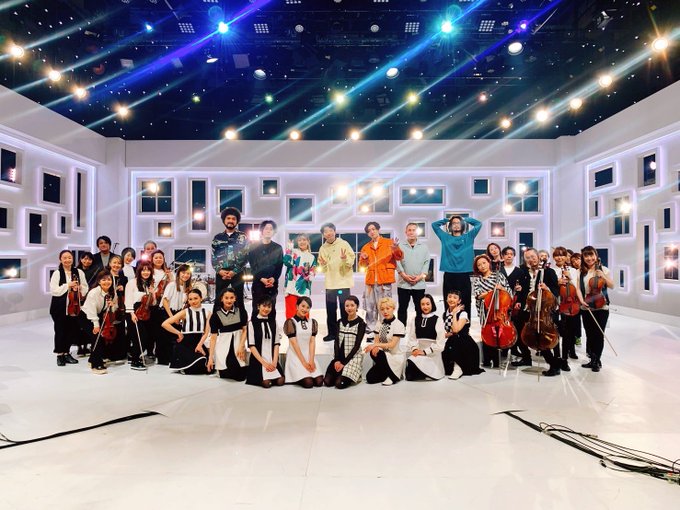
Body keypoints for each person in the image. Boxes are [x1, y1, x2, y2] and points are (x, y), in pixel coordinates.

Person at [510, 248, 562, 376]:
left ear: (538, 257)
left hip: (542, 309)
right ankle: (526, 358)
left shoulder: (548, 272)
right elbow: (523, 291)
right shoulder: (523, 272)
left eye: (533, 256)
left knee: (541, 337)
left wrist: (547, 288)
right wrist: (519, 297)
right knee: (520, 333)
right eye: (527, 258)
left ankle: (554, 364)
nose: (531, 260)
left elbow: (556, 290)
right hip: (527, 308)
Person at [431, 215, 482, 316]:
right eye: (454, 223)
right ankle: (449, 323)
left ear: (462, 225)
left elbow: (478, 224)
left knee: (465, 301)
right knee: (449, 301)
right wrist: (447, 219)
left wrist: (465, 219)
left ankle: (465, 324)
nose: (456, 225)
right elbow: (434, 225)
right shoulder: (445, 237)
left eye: (458, 223)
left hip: (464, 274)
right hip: (449, 274)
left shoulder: (469, 236)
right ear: (450, 225)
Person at [358, 221, 403, 332]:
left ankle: (384, 328)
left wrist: (396, 248)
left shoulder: (389, 243)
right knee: (370, 306)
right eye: (369, 231)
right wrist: (363, 258)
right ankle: (371, 328)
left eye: (373, 229)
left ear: (378, 229)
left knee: (385, 306)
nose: (371, 232)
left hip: (384, 280)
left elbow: (399, 257)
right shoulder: (366, 247)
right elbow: (361, 265)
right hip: (370, 281)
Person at [472, 254, 513, 368]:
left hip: (499, 309)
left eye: (484, 263)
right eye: (479, 265)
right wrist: (491, 292)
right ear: (477, 268)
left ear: (489, 263)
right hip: (486, 310)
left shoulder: (498, 276)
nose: (482, 266)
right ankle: (486, 360)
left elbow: (508, 291)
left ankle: (496, 360)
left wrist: (501, 289)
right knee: (487, 333)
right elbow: (478, 295)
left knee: (497, 334)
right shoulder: (478, 280)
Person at [317, 222, 355, 342]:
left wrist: (344, 259)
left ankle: (345, 331)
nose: (328, 233)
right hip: (330, 283)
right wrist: (323, 264)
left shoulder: (344, 244)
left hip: (343, 282)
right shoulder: (322, 248)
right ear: (323, 235)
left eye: (330, 230)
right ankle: (332, 333)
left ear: (334, 231)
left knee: (345, 309)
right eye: (325, 232)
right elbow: (322, 268)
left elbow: (351, 260)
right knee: (330, 310)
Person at [50, 249, 88, 367]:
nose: (67, 260)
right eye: (65, 258)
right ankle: (59, 354)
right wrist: (68, 285)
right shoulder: (57, 273)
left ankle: (67, 353)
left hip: (74, 307)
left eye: (69, 258)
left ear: (73, 259)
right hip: (59, 307)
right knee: (60, 331)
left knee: (71, 331)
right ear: (60, 259)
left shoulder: (79, 272)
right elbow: (54, 290)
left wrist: (80, 288)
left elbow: (85, 287)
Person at [579, 246, 614, 372]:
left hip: (601, 307)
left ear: (596, 255)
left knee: (599, 334)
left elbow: (612, 285)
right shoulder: (581, 271)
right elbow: (578, 288)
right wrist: (581, 301)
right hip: (586, 306)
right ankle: (593, 358)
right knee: (589, 334)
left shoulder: (604, 269)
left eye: (591, 255)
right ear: (583, 257)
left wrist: (603, 276)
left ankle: (597, 361)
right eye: (586, 256)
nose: (589, 258)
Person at [162, 288, 212, 375]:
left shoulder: (207, 313)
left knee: (205, 366)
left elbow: (206, 333)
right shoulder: (185, 312)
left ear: (201, 298)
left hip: (199, 343)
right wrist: (178, 333)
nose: (193, 301)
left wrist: (200, 345)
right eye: (190, 299)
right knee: (194, 368)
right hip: (185, 344)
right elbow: (165, 324)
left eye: (196, 298)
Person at [552, 246, 586, 370]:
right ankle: (556, 357)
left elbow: (577, 288)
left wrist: (569, 278)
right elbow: (548, 288)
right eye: (557, 255)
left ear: (566, 257)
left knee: (568, 334)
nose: (559, 257)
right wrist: (557, 282)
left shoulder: (573, 271)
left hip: (569, 305)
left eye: (562, 255)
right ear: (554, 257)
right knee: (555, 332)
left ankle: (565, 359)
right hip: (555, 305)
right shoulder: (551, 270)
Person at [79, 270, 117, 375]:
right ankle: (96, 364)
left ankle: (92, 359)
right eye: (103, 280)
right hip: (86, 316)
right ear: (99, 281)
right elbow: (91, 311)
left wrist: (112, 305)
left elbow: (115, 308)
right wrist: (96, 325)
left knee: (101, 337)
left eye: (109, 279)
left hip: (98, 315)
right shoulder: (94, 293)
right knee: (97, 337)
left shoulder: (112, 292)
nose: (106, 282)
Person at [211, 207, 249, 309]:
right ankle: (217, 319)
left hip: (237, 273)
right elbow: (213, 257)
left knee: (239, 301)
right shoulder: (217, 238)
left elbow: (246, 256)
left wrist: (234, 271)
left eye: (233, 219)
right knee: (219, 300)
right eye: (228, 218)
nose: (231, 221)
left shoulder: (243, 237)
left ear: (237, 221)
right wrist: (219, 270)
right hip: (221, 273)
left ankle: (240, 319)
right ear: (224, 220)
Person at [323, 295, 365, 389]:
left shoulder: (361, 323)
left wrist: (344, 363)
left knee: (339, 384)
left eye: (352, 305)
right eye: (347, 306)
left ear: (357, 306)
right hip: (339, 357)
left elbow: (357, 345)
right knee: (327, 382)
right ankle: (341, 374)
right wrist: (337, 360)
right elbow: (336, 342)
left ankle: (352, 374)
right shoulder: (340, 322)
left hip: (352, 358)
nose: (349, 308)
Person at [442, 290, 484, 379]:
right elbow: (448, 332)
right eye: (449, 297)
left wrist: (454, 314)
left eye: (455, 297)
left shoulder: (463, 313)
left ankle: (458, 368)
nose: (451, 299)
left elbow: (456, 329)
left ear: (459, 301)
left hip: (464, 343)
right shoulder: (445, 314)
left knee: (457, 340)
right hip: (452, 341)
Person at [207, 288, 248, 380]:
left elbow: (245, 330)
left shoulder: (241, 311)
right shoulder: (215, 316)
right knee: (227, 372)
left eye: (231, 298)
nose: (229, 300)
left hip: (238, 346)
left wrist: (241, 346)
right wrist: (210, 358)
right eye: (226, 298)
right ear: (221, 299)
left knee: (240, 376)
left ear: (235, 298)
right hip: (223, 347)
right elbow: (213, 338)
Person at [283, 296, 324, 388]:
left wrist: (311, 360)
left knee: (319, 382)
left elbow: (312, 342)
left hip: (308, 356)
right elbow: (294, 344)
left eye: (308, 307)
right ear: (297, 306)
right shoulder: (290, 322)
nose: (305, 309)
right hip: (296, 356)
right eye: (303, 306)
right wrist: (304, 362)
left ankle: (307, 374)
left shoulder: (312, 322)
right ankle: (298, 376)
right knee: (309, 383)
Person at [364, 297, 406, 385]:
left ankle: (393, 376)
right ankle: (390, 373)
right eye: (382, 309)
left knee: (377, 352)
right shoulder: (379, 323)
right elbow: (376, 341)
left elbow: (392, 345)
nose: (385, 311)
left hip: (394, 356)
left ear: (393, 308)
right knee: (370, 378)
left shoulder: (399, 324)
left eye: (388, 308)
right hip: (382, 356)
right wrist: (375, 346)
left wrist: (374, 345)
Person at [396, 222, 430, 328]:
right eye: (409, 230)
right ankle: (401, 330)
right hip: (403, 283)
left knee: (420, 308)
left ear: (417, 232)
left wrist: (420, 277)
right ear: (405, 232)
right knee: (402, 308)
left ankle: (420, 329)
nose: (411, 232)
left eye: (413, 230)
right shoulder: (400, 246)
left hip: (419, 284)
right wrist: (404, 275)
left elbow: (426, 263)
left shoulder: (424, 247)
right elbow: (396, 261)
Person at [246, 297, 285, 388]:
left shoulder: (273, 322)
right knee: (267, 383)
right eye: (264, 306)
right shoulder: (252, 323)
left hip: (271, 359)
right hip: (258, 360)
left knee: (281, 381)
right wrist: (264, 363)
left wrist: (274, 362)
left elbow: (276, 343)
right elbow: (251, 346)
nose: (266, 309)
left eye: (269, 307)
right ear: (258, 306)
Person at [247, 220, 283, 318]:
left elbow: (279, 266)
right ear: (262, 230)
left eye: (271, 229)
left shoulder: (278, 248)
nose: (268, 230)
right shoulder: (253, 247)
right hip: (258, 283)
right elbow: (253, 266)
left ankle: (271, 328)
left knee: (271, 309)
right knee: (257, 309)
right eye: (266, 228)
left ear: (274, 232)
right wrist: (261, 278)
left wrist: (273, 279)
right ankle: (256, 328)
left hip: (272, 284)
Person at [405, 294, 446, 381]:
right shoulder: (415, 319)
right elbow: (412, 338)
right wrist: (414, 349)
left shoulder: (438, 320)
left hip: (433, 354)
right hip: (418, 352)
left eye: (428, 304)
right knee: (409, 373)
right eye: (422, 304)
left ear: (432, 304)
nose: (425, 307)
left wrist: (425, 352)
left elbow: (440, 344)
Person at [158, 264, 192, 365]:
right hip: (167, 312)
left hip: (177, 313)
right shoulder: (172, 285)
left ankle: (172, 358)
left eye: (188, 273)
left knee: (174, 338)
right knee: (165, 337)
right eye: (183, 273)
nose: (185, 275)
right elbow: (165, 301)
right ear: (178, 273)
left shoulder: (187, 287)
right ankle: (162, 359)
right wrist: (172, 317)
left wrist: (179, 316)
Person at [125, 260, 155, 371]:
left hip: (145, 313)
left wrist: (152, 293)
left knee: (146, 338)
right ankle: (135, 360)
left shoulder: (149, 284)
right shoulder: (132, 283)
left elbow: (153, 303)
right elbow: (128, 299)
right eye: (143, 270)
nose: (146, 272)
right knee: (139, 337)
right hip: (133, 312)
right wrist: (131, 313)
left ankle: (134, 355)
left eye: (148, 270)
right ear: (139, 271)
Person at [282, 234, 317, 319]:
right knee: (291, 314)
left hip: (304, 289)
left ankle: (305, 328)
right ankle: (290, 328)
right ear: (297, 242)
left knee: (304, 314)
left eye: (304, 240)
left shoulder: (312, 257)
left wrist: (308, 275)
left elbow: (312, 274)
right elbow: (286, 262)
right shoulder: (293, 252)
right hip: (291, 287)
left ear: (308, 242)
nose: (302, 242)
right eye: (300, 240)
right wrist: (289, 249)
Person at [149, 249, 173, 363]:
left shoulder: (166, 272)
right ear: (152, 259)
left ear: (163, 259)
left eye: (160, 258)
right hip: (152, 303)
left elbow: (173, 285)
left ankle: (160, 354)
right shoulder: (149, 271)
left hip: (164, 304)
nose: (158, 259)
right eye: (156, 257)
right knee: (152, 329)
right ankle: (150, 352)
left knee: (161, 331)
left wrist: (169, 276)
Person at [106, 254, 129, 363]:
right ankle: (108, 353)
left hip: (120, 307)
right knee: (108, 328)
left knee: (120, 328)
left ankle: (120, 353)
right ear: (110, 263)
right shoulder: (105, 276)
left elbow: (127, 293)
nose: (116, 265)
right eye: (114, 262)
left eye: (119, 263)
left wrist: (123, 289)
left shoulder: (124, 278)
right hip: (108, 305)